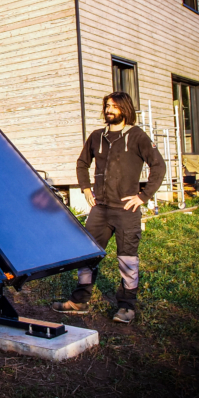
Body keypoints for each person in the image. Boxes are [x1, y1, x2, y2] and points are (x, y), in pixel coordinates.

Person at [53, 92, 166, 323]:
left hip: (127, 210)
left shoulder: (137, 136)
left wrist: (143, 197)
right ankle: (79, 301)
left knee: (127, 260)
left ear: (125, 109)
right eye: (107, 106)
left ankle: (126, 307)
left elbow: (158, 166)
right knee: (87, 255)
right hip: (100, 210)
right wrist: (85, 189)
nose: (109, 110)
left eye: (114, 106)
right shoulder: (97, 136)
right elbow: (82, 163)